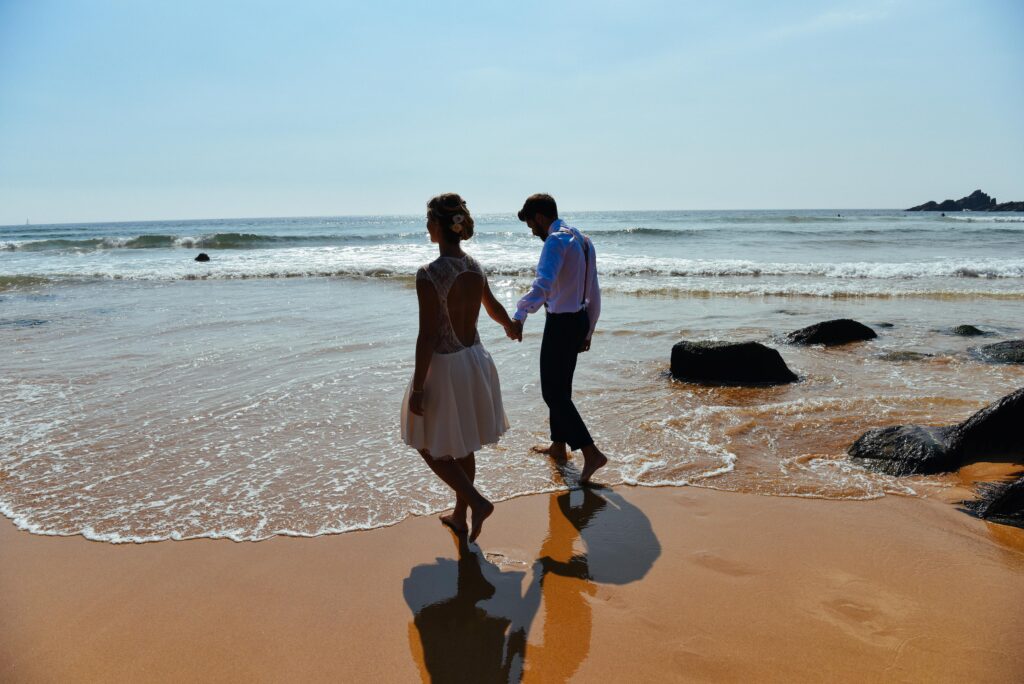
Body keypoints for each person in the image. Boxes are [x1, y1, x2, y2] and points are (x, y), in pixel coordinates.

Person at [401, 193, 517, 542]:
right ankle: (459, 515)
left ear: (438, 225)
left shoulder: (429, 274)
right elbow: (494, 307)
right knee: (463, 445)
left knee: (424, 441)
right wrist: (511, 326)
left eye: (428, 221)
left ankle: (477, 502)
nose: (426, 227)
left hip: (446, 366)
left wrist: (419, 387)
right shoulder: (474, 266)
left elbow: (428, 336)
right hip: (475, 361)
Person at [509, 193, 607, 484]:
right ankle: (558, 446)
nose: (532, 231)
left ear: (539, 217)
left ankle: (591, 453)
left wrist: (520, 314)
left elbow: (543, 283)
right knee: (561, 388)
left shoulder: (555, 241)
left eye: (531, 225)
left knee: (552, 393)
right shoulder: (582, 239)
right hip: (577, 320)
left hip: (561, 324)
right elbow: (594, 289)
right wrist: (588, 328)